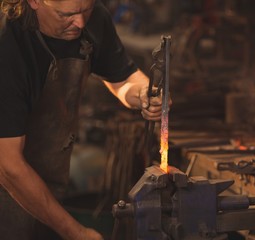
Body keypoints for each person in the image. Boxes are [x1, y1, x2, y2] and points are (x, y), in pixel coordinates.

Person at [0, 0, 169, 239]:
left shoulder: (93, 17)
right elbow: (8, 166)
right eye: (66, 15)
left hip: (46, 181)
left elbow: (123, 78)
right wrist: (75, 232)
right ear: (35, 2)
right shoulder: (7, 44)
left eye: (85, 11)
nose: (79, 23)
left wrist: (143, 93)